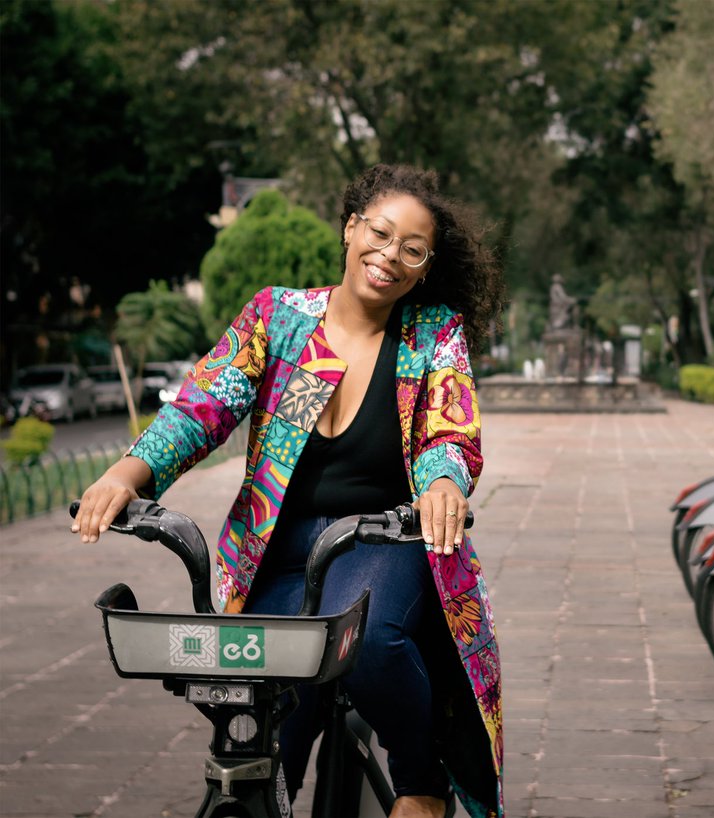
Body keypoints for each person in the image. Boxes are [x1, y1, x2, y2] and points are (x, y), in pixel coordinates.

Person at [72, 164, 506, 818]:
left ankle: (422, 784)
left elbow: (449, 427)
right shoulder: (280, 319)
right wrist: (124, 475)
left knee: (371, 646)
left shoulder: (430, 334)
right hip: (273, 549)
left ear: (424, 266)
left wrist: (444, 483)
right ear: (350, 226)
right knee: (262, 718)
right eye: (380, 234)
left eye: (411, 249)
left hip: (382, 537)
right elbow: (202, 409)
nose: (389, 256)